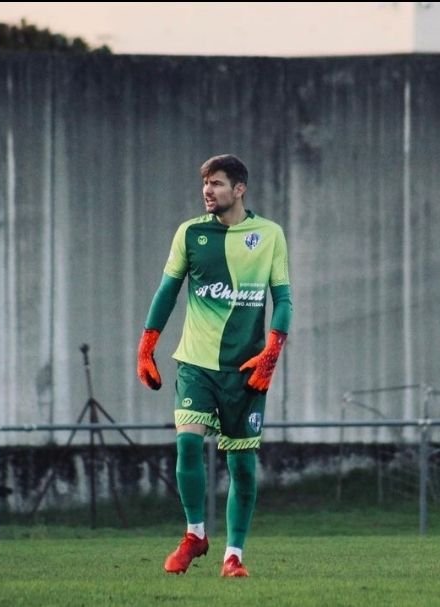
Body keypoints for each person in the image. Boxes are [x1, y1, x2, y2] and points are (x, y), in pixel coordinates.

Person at [136, 154, 293, 578]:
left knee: (241, 465)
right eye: (205, 183)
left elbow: (284, 299)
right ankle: (195, 535)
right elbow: (167, 292)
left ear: (239, 189)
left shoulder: (269, 235)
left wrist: (271, 353)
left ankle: (233, 556)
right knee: (187, 444)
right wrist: (147, 346)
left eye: (217, 183)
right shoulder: (190, 234)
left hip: (245, 370)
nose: (208, 190)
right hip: (195, 364)